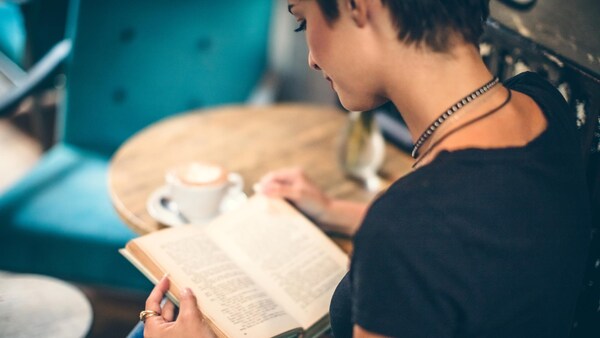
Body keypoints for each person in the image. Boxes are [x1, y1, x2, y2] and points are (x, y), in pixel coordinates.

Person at [140, 0, 591, 337]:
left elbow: (435, 234)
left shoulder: (408, 229)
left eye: (303, 21)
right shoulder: (541, 102)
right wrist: (336, 210)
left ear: (359, 7)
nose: (312, 58)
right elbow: (486, 236)